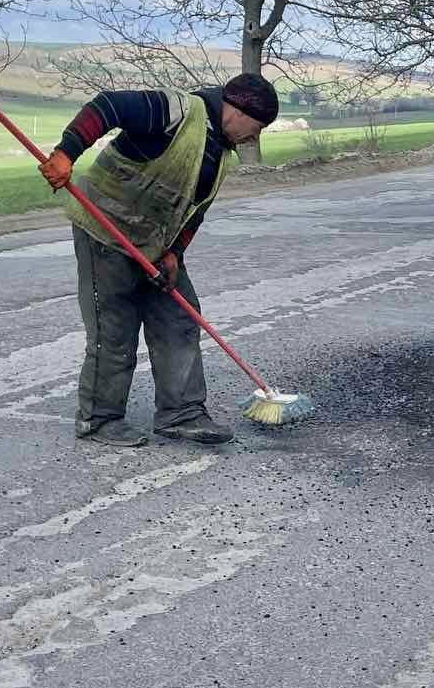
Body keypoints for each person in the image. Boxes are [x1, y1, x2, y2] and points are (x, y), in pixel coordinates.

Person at [40, 73, 280, 446]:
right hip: (105, 230)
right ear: (238, 109)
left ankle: (180, 414)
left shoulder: (218, 154)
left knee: (180, 320)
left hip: (153, 244)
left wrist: (174, 254)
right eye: (257, 126)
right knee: (113, 328)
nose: (255, 137)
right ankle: (99, 420)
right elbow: (109, 105)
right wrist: (66, 153)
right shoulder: (177, 111)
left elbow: (192, 211)